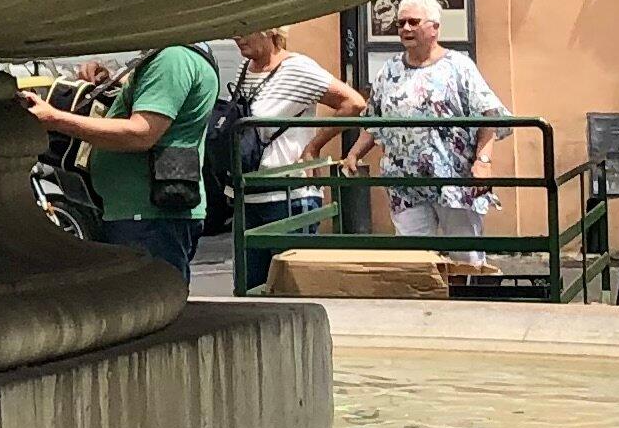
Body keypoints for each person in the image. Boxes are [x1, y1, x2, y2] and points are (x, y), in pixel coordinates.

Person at [24, 44, 218, 276]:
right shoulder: (175, 55)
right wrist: (113, 83)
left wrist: (55, 119)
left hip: (147, 216)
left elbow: (141, 133)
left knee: (148, 302)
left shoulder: (173, 58)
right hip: (145, 212)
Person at [365, 0, 510, 259]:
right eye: (401, 23)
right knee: (415, 262)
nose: (406, 28)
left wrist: (484, 160)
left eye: (413, 22)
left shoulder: (458, 66)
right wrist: (354, 154)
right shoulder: (389, 71)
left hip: (453, 180)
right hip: (406, 183)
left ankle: (464, 300)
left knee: (464, 259)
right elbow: (373, 119)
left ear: (434, 28)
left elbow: (490, 113)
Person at [225, 27, 368, 278]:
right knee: (249, 291)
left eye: (245, 30)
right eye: (234, 31)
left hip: (287, 198)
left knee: (289, 287)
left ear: (270, 30)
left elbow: (353, 103)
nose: (237, 37)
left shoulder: (298, 68)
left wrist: (314, 146)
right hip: (247, 196)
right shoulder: (244, 70)